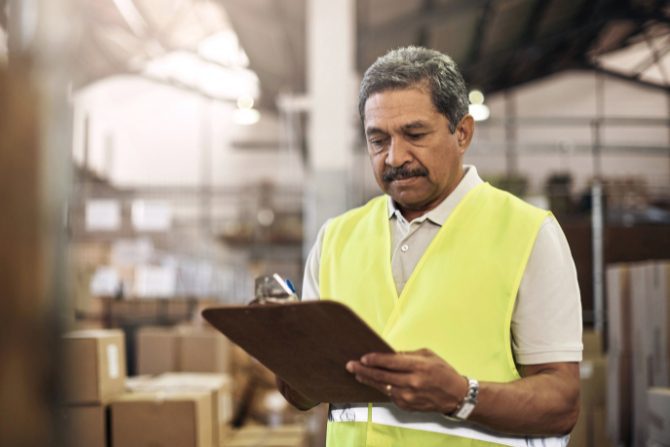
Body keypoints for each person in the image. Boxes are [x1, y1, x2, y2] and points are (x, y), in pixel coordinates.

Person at [277, 46, 582, 446]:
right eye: (378, 140)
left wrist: (461, 395)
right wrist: (283, 351)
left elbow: (562, 404)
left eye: (415, 134)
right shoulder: (336, 239)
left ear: (462, 133)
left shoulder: (528, 233)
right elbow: (303, 396)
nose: (395, 157)